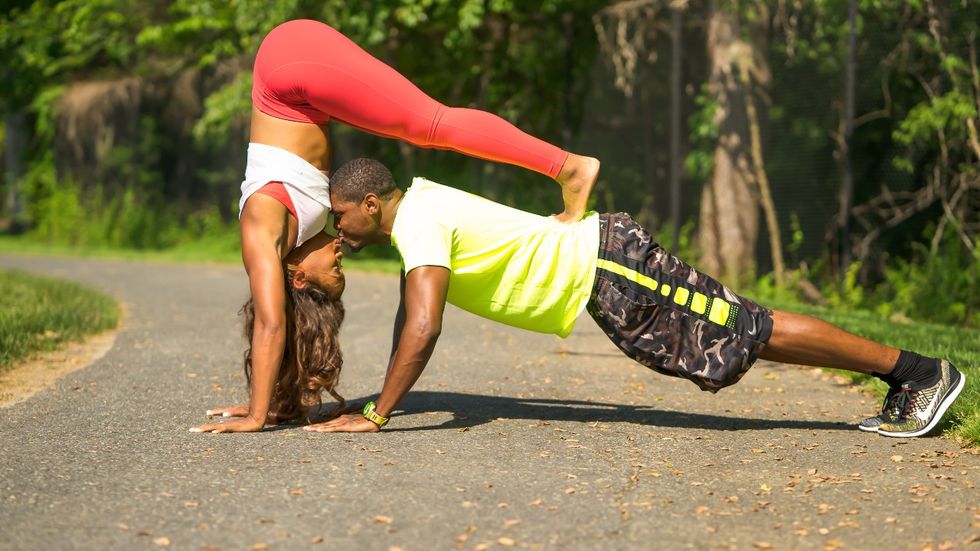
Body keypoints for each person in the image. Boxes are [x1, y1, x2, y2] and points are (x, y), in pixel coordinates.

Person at [309, 158, 965, 438]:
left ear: (371, 202)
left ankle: (920, 372)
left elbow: (422, 326)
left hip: (612, 265)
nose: (341, 230)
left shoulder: (418, 221)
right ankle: (907, 376)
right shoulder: (420, 209)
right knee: (737, 341)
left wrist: (376, 415)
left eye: (343, 216)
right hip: (605, 278)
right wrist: (377, 401)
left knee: (747, 327)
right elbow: (412, 318)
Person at [191, 19, 599, 433]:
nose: (339, 253)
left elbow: (271, 322)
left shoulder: (263, 233)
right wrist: (283, 398)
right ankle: (566, 167)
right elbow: (288, 330)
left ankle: (568, 168)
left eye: (334, 270)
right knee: (426, 127)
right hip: (299, 88)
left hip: (287, 67)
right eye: (341, 266)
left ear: (297, 280)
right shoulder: (304, 240)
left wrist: (257, 415)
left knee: (430, 125)